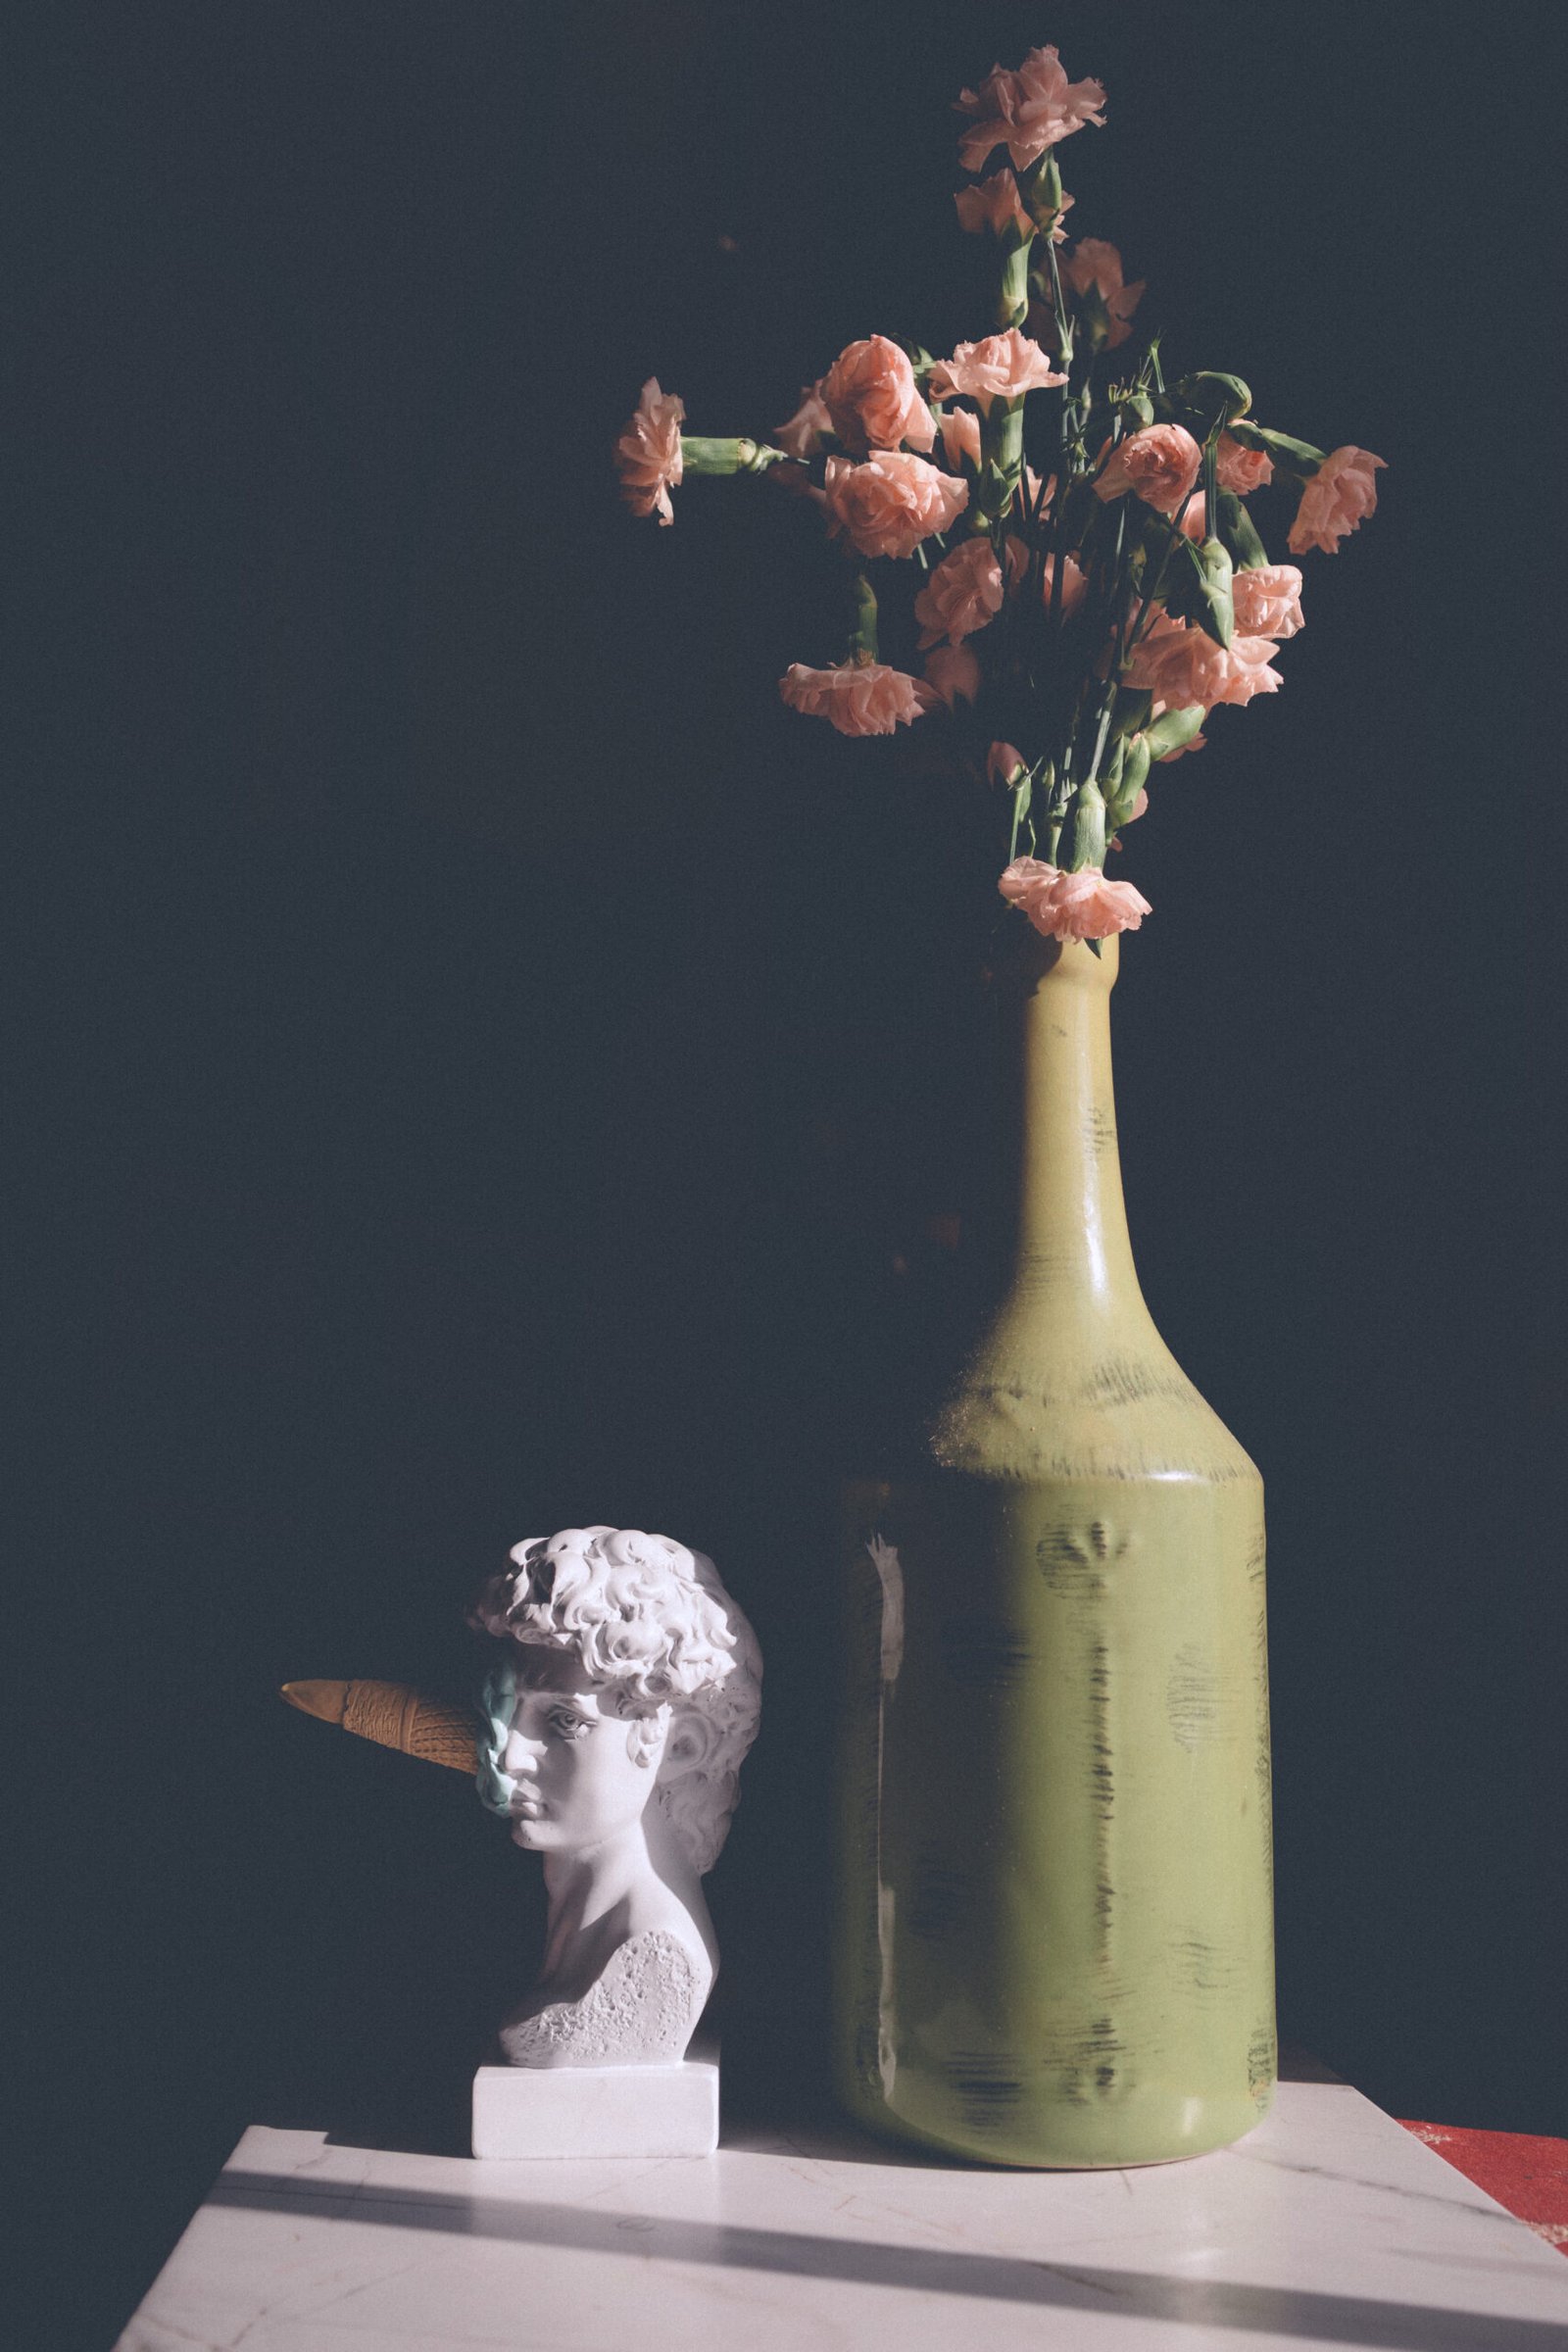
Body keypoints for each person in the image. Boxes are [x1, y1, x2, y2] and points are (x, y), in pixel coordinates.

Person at [468, 1526, 762, 2069]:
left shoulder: (656, 1957)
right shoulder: (578, 1939)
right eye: (509, 1708)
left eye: (565, 1721)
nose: (509, 1758)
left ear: (677, 1745)